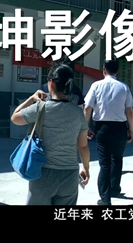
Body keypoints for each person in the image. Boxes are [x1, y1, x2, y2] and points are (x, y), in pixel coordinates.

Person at [11, 64, 91, 205]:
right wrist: (86, 168)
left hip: (43, 173)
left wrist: (32, 98)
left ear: (51, 83)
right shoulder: (78, 113)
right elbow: (83, 146)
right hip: (70, 175)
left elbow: (14, 118)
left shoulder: (40, 108)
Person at [84, 59, 133, 205]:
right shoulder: (124, 87)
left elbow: (87, 108)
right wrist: (131, 130)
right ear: (117, 71)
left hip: (102, 128)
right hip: (120, 128)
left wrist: (86, 127)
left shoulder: (96, 85)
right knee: (117, 159)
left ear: (104, 70)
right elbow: (129, 111)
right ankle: (115, 189)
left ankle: (105, 198)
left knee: (104, 163)